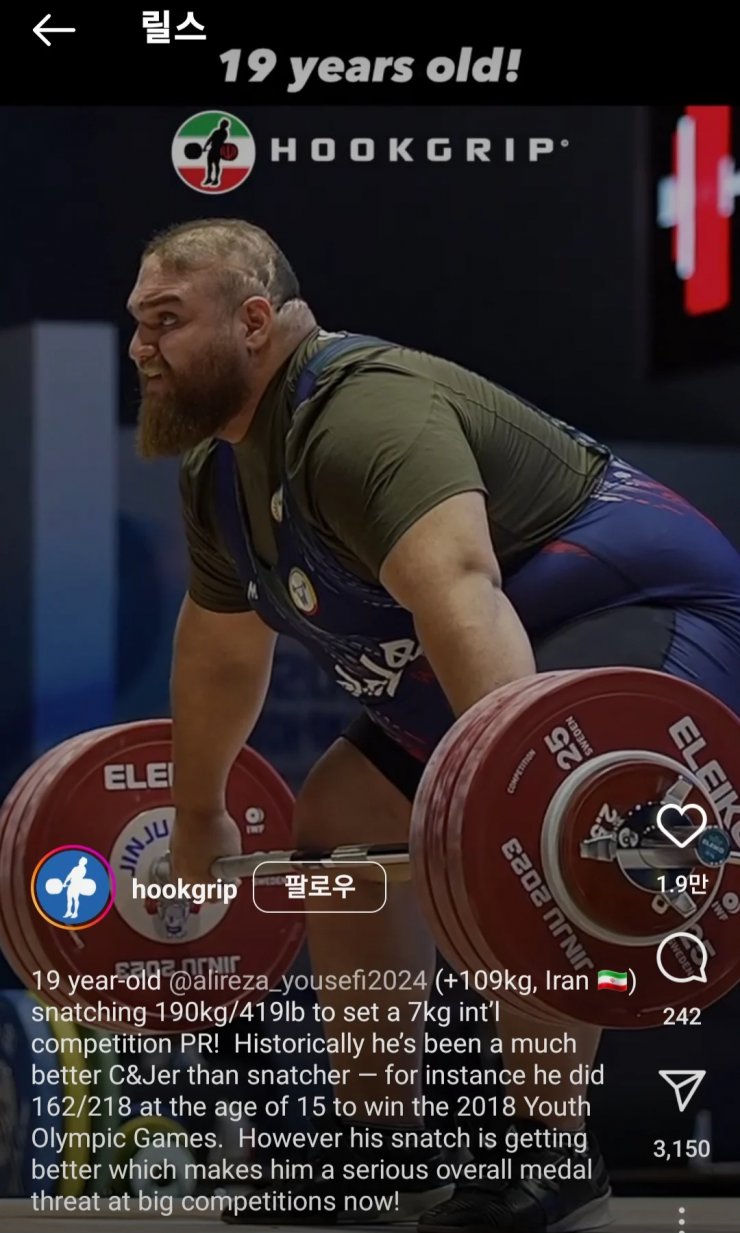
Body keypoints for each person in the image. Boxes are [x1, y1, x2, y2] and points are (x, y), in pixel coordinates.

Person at [126, 217, 740, 1231]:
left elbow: (458, 589)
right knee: (334, 822)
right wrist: (199, 820)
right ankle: (384, 1144)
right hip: (502, 632)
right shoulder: (218, 477)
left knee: (529, 837)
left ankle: (550, 1148)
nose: (142, 348)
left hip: (646, 618)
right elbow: (222, 651)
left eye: (164, 322)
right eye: (136, 325)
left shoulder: (363, 415)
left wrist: (516, 797)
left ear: (250, 322)